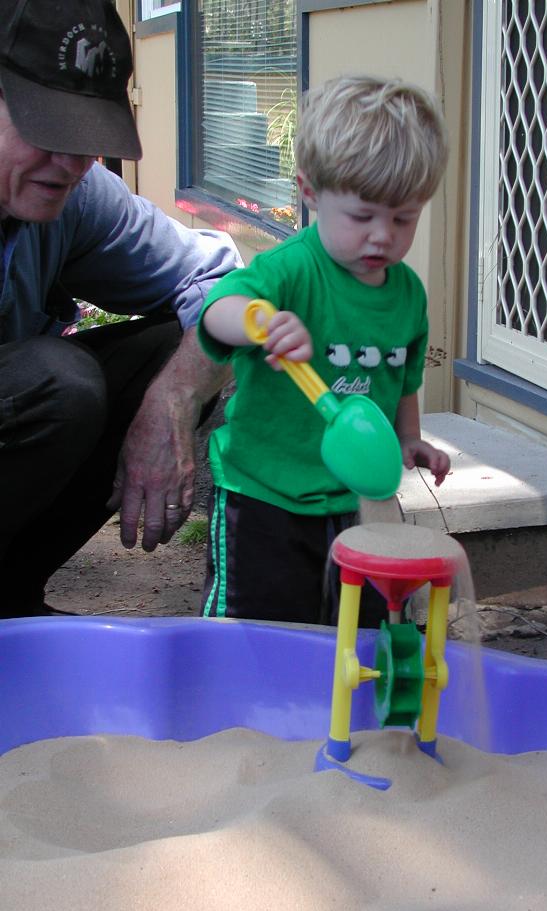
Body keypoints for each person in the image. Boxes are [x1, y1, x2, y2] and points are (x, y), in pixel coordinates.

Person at [0, 0, 241, 618]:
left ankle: (9, 601)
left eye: (88, 135)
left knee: (173, 352)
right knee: (58, 382)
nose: (75, 163)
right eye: (48, 127)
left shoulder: (75, 196)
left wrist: (172, 401)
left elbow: (220, 280)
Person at [197, 74, 451, 624]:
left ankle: (340, 709)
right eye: (362, 217)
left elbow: (402, 377)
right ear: (310, 193)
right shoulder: (291, 270)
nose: (383, 236)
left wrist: (410, 440)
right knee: (258, 629)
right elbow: (218, 309)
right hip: (266, 496)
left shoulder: (407, 294)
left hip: (357, 500)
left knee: (362, 632)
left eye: (404, 218)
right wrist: (260, 322)